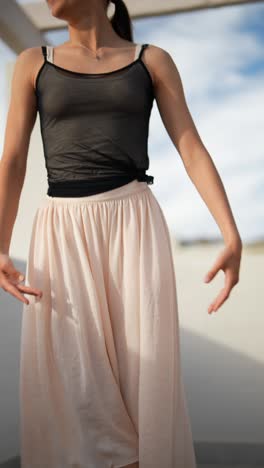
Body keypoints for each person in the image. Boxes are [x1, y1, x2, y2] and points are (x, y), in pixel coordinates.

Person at [0, 0, 242, 466]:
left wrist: (230, 234)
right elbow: (11, 159)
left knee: (142, 384)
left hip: (134, 226)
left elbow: (189, 145)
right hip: (61, 234)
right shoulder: (35, 63)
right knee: (79, 390)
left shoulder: (151, 60)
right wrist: (1, 244)